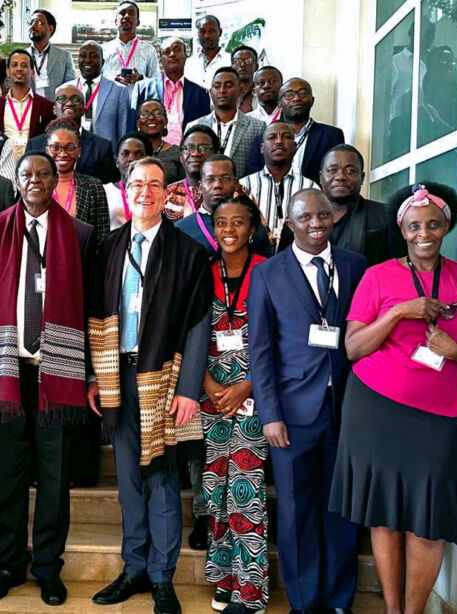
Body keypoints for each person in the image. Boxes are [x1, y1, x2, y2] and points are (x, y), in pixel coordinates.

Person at [331, 182, 457, 614]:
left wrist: (456, 353)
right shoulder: (376, 276)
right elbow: (354, 347)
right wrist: (400, 311)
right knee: (384, 516)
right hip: (376, 410)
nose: (424, 233)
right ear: (402, 229)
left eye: (434, 224)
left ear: (446, 226)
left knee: (429, 523)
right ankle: (393, 610)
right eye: (415, 225)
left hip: (441, 416)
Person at [0, 152, 96, 607]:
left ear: (55, 179)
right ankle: (7, 566)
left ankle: (48, 568)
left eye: (44, 173)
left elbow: (90, 307)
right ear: (16, 181)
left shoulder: (79, 234)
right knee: (8, 474)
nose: (36, 180)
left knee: (55, 478)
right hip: (8, 373)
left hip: (57, 373)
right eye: (27, 174)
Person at [87, 156, 212, 614]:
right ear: (126, 191)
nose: (144, 193)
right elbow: (94, 315)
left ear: (167, 194)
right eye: (136, 184)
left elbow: (200, 324)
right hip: (117, 375)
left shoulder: (188, 252)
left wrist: (188, 390)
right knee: (127, 480)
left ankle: (162, 576)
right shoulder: (109, 246)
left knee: (161, 476)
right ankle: (133, 567)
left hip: (165, 377)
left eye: (154, 185)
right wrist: (94, 377)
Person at [248, 189, 365, 614]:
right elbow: (259, 350)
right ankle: (304, 601)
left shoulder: (355, 265)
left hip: (348, 410)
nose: (316, 222)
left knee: (342, 510)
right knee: (297, 512)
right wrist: (270, 415)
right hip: (293, 414)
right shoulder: (268, 274)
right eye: (305, 217)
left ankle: (338, 600)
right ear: (290, 224)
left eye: (323, 214)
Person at [199, 194, 270, 614]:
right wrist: (205, 383)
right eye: (222, 222)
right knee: (216, 492)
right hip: (212, 396)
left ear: (252, 226)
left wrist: (250, 385)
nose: (230, 230)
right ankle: (224, 578)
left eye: (239, 222)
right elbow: (190, 334)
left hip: (254, 396)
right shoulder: (203, 271)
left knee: (246, 492)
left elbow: (282, 340)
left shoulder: (269, 271)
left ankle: (251, 591)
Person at [293, 144, 405, 265]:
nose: (340, 177)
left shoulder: (385, 216)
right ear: (321, 177)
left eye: (350, 171)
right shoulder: (300, 219)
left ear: (362, 177)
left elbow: (398, 266)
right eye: (332, 171)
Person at [246, 78, 345, 182]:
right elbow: (253, 178)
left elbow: (335, 175)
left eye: (303, 93)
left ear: (312, 100)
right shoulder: (263, 138)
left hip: (315, 196)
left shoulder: (331, 135)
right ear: (279, 104)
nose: (296, 98)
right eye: (289, 95)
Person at [176, 155, 272, 258]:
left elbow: (267, 268)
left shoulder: (253, 226)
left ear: (236, 184)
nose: (217, 184)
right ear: (200, 187)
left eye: (225, 178)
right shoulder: (180, 230)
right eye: (210, 179)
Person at [238, 120, 320, 241]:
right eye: (272, 137)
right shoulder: (244, 186)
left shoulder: (310, 188)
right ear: (262, 148)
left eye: (286, 137)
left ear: (295, 147)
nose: (279, 141)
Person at [27, 84, 119, 184]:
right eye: (62, 98)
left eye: (76, 99)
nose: (69, 103)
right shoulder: (34, 145)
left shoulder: (102, 147)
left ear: (84, 111)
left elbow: (109, 191)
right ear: (54, 109)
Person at [186, 67, 266, 179]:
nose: (222, 90)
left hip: (242, 192)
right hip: (203, 191)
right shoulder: (194, 126)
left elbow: (259, 167)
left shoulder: (257, 126)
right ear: (210, 91)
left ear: (241, 90)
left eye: (228, 86)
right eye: (217, 86)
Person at [131, 37, 210, 149]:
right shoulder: (143, 88)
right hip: (150, 153)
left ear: (185, 55)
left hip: (186, 156)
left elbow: (205, 131)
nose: (172, 54)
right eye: (167, 52)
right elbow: (133, 125)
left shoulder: (201, 93)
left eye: (177, 49)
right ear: (161, 59)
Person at [42, 117, 111, 242]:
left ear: (79, 151)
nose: (62, 154)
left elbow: (102, 236)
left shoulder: (94, 186)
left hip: (83, 259)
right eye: (56, 148)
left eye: (70, 148)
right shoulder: (36, 185)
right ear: (47, 150)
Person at [0, 49, 56, 159]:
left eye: (24, 65)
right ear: (7, 71)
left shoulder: (47, 106)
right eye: (14, 65)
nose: (19, 69)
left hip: (35, 164)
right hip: (2, 163)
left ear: (32, 72)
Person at [62, 42, 133, 146]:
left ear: (103, 62)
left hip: (106, 156)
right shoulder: (64, 90)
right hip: (72, 151)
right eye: (83, 56)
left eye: (94, 56)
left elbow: (123, 129)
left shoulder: (119, 91)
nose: (88, 60)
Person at [165, 125, 219, 221]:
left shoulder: (233, 191)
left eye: (204, 148)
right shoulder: (166, 194)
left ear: (216, 155)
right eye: (188, 148)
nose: (195, 153)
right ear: (181, 157)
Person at [101, 1, 159, 86]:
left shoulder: (149, 50)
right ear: (115, 21)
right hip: (110, 99)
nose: (127, 16)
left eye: (131, 13)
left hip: (139, 99)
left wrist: (141, 78)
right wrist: (111, 81)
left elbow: (156, 81)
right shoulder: (103, 49)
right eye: (122, 13)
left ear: (138, 22)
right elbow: (95, 80)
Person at [104, 131, 152, 230]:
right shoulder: (104, 191)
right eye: (125, 154)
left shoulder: (154, 192)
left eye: (139, 154)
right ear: (117, 161)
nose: (132, 159)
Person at [28, 10, 77, 100]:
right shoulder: (20, 56)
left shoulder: (64, 57)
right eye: (31, 22)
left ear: (50, 28)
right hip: (27, 109)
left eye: (38, 22)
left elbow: (71, 87)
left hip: (53, 109)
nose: (33, 26)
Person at [135, 99, 185, 185]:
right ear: (138, 123)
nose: (151, 117)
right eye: (144, 114)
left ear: (165, 121)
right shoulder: (131, 152)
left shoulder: (178, 153)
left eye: (157, 113)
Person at [184, 15, 231, 89]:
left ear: (220, 32)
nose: (207, 36)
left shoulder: (230, 61)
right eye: (203, 31)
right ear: (198, 34)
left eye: (211, 31)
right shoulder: (189, 63)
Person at [231, 45, 259, 113]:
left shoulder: (262, 93)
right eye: (237, 61)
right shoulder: (223, 92)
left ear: (256, 66)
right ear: (232, 67)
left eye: (248, 60)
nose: (243, 64)